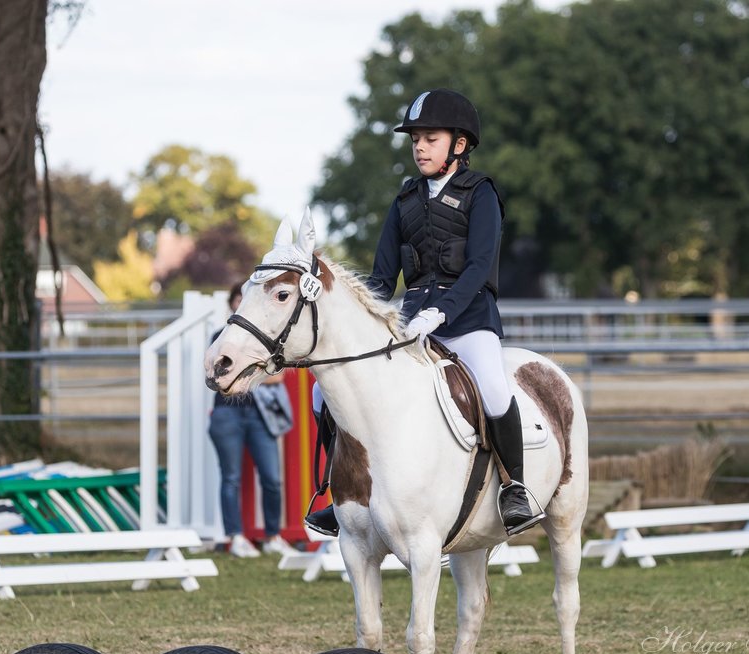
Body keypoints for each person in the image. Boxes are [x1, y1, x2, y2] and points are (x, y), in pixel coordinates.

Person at [304, 88, 546, 539]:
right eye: (415, 140)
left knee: (494, 389)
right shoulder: (405, 201)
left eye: (429, 139)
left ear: (459, 144)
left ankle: (516, 488)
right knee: (325, 393)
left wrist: (442, 311)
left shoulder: (482, 194)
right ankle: (341, 492)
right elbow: (380, 279)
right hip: (410, 322)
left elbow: (478, 268)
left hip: (469, 320)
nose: (419, 147)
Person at [210, 283, 297, 558]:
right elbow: (220, 376)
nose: (241, 302)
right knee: (231, 478)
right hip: (227, 414)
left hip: (260, 416)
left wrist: (243, 376)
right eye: (237, 298)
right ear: (232, 304)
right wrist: (256, 375)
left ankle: (273, 536)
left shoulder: (264, 340)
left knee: (272, 479)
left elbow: (279, 376)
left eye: (244, 298)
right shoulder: (218, 336)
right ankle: (235, 537)